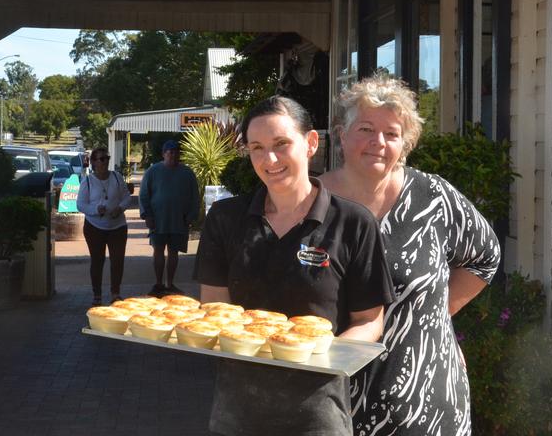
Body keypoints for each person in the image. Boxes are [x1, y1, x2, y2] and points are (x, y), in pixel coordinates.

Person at [195, 96, 394, 436]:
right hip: (236, 413)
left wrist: (315, 354)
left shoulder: (352, 223)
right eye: (256, 147)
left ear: (311, 143)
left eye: (281, 144)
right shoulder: (226, 219)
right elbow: (214, 310)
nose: (269, 159)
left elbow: (369, 321)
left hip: (317, 414)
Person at [320, 74, 501, 436]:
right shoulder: (312, 204)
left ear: (405, 144)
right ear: (342, 134)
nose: (379, 143)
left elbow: (486, 256)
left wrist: (435, 315)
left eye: (392, 134)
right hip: (331, 402)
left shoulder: (433, 197)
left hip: (428, 401)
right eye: (366, 129)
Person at [138, 139, 199, 297]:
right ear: (163, 154)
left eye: (176, 152)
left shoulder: (187, 173)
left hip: (179, 219)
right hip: (158, 219)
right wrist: (147, 215)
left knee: (174, 252)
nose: (173, 155)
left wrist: (191, 216)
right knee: (158, 250)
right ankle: (158, 284)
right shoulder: (153, 171)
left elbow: (195, 196)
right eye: (170, 152)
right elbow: (144, 194)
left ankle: (170, 284)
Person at [75, 148, 132, 305]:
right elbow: (80, 204)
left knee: (117, 260)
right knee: (97, 261)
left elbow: (127, 198)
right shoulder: (87, 181)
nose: (105, 161)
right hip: (94, 227)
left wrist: (119, 208)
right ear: (93, 162)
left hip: (118, 226)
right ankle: (97, 295)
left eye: (107, 158)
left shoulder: (116, 177)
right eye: (101, 159)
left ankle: (115, 293)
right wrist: (95, 210)